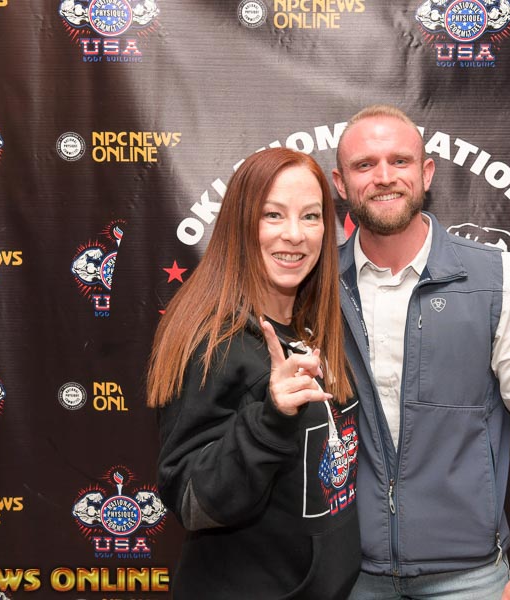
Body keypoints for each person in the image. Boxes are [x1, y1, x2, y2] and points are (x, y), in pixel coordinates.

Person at [331, 105, 510, 600]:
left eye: (400, 161)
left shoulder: (500, 277)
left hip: (470, 578)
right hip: (348, 575)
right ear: (341, 184)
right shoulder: (316, 287)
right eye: (364, 165)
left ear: (426, 173)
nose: (384, 176)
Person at [148, 147, 360, 599]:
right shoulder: (213, 340)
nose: (294, 234)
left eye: (310, 216)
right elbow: (192, 500)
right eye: (273, 215)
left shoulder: (312, 323)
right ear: (241, 223)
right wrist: (270, 419)